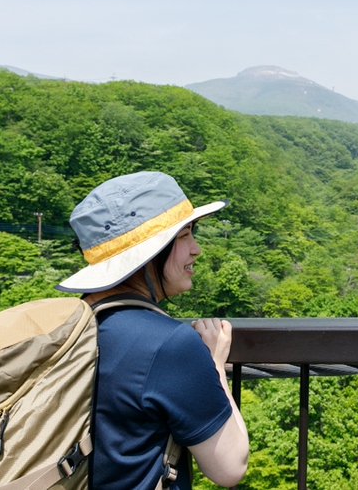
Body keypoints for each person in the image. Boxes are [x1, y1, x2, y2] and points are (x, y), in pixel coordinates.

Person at [55, 171, 249, 490]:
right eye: (184, 235)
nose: (196, 249)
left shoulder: (67, 325)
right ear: (150, 251)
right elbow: (229, 467)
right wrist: (213, 363)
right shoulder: (168, 344)